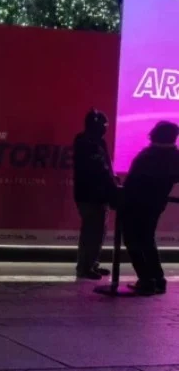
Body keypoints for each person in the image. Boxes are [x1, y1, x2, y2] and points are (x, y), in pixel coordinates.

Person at [119, 121, 179, 296]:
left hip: (135, 204)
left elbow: (133, 182)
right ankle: (157, 279)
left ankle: (146, 280)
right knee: (147, 239)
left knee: (133, 240)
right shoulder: (175, 157)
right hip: (156, 204)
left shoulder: (148, 156)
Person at [72, 108, 118, 280]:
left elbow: (106, 166)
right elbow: (100, 169)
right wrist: (112, 187)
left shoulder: (96, 142)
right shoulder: (87, 142)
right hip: (90, 195)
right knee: (92, 232)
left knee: (98, 231)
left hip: (97, 195)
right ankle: (85, 267)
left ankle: (91, 263)